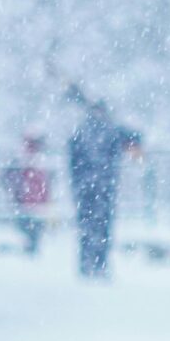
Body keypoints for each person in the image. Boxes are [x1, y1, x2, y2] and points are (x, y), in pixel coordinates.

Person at [66, 95, 141, 278]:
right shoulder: (111, 129)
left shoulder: (81, 131)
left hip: (85, 188)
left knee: (86, 227)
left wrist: (77, 184)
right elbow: (134, 137)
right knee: (103, 226)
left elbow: (72, 160)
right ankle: (100, 264)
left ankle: (86, 264)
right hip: (105, 186)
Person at [7, 133, 51, 255]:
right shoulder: (29, 159)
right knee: (31, 227)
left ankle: (31, 248)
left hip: (31, 200)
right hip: (29, 200)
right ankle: (30, 248)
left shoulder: (32, 159)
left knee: (32, 227)